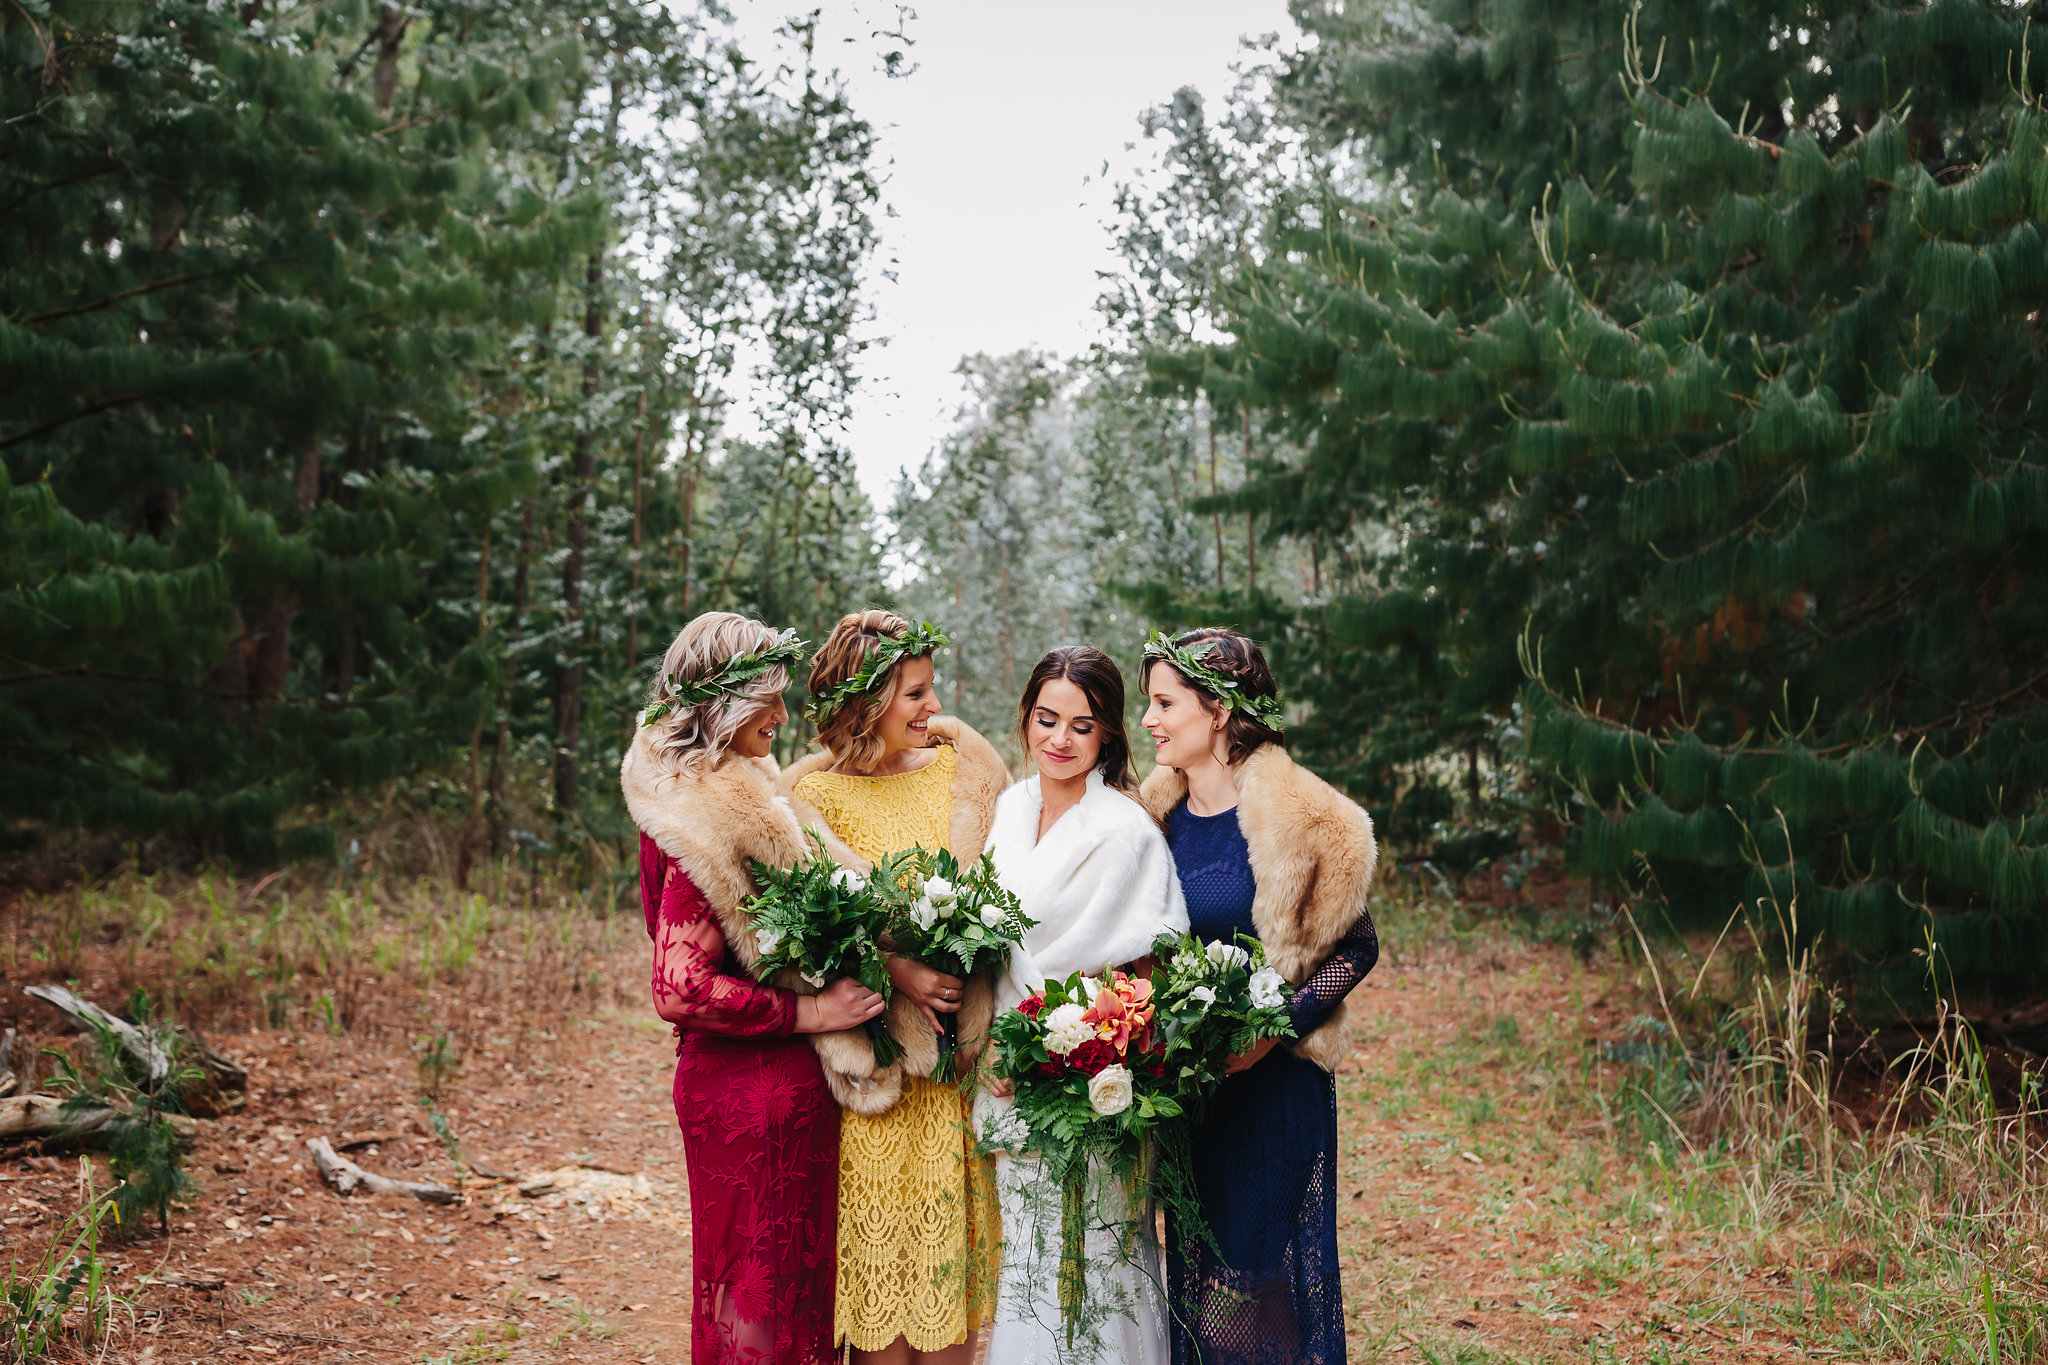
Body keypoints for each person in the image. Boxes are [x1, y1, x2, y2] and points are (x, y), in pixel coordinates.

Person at [619, 611, 889, 1365]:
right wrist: (811, 1010)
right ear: (726, 701)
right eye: (769, 697)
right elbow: (680, 987)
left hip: (759, 1087)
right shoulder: (703, 810)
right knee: (761, 1310)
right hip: (752, 1092)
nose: (783, 714)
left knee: (768, 1301)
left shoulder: (693, 787)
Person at [1138, 628, 1380, 1365]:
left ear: (1216, 710)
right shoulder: (1155, 816)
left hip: (1273, 1093)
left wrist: (1274, 1028)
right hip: (1189, 1096)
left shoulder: (1300, 815)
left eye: (1164, 703)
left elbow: (1358, 945)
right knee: (1197, 1278)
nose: (1148, 719)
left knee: (1254, 1294)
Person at [776, 610, 1009, 1365]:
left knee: (950, 1309)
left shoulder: (960, 776)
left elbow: (1007, 890)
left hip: (951, 1080)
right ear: (868, 701)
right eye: (914, 693)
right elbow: (802, 941)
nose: (933, 707)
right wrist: (898, 969)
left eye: (931, 688)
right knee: (879, 1312)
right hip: (873, 1082)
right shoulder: (814, 799)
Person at [975, 645, 1188, 1365]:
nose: (1060, 739)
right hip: (1005, 1077)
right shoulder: (1009, 809)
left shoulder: (1126, 831)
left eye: (1082, 725)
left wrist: (1067, 1041)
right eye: (1047, 719)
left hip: (1092, 1082)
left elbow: (1149, 974)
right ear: (1026, 719)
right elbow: (988, 948)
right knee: (1029, 1268)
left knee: (1101, 1269)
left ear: (1108, 736)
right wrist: (994, 1044)